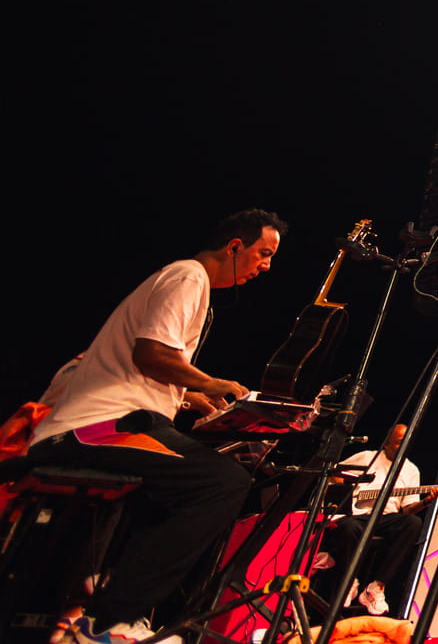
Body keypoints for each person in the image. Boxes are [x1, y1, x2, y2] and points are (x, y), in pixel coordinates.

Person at [31, 210, 285, 644]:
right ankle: (107, 621)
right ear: (234, 246)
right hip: (93, 425)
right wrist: (211, 383)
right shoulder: (189, 276)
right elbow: (152, 354)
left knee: (197, 478)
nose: (265, 266)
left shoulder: (188, 282)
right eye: (263, 253)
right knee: (222, 482)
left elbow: (140, 365)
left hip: (112, 419)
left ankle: (105, 584)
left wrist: (191, 398)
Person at [324, 423, 430, 617]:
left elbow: (408, 508)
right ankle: (348, 581)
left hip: (386, 519)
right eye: (398, 442)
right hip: (358, 516)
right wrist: (345, 489)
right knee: (348, 527)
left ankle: (376, 587)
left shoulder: (411, 470)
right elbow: (334, 473)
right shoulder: (367, 457)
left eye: (406, 442)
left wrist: (426, 501)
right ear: (387, 443)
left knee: (413, 523)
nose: (402, 446)